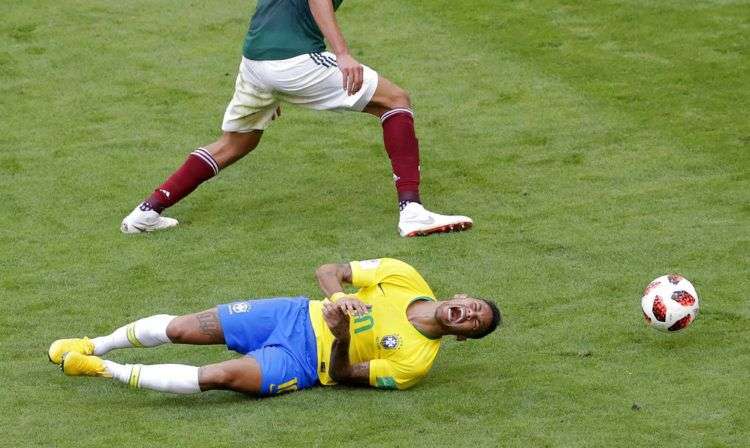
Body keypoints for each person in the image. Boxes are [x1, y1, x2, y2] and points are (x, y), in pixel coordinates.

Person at [120, 0, 473, 237]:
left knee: (237, 142)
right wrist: (343, 54)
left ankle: (146, 212)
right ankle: (412, 210)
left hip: (256, 60)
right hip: (294, 60)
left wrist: (273, 86)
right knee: (395, 100)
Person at [48, 258, 501, 395]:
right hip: (291, 313)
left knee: (220, 377)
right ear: (460, 298)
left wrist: (342, 340)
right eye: (473, 306)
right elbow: (331, 270)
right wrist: (340, 300)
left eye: (474, 323)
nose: (468, 314)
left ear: (463, 336)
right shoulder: (403, 275)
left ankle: (100, 369)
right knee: (186, 328)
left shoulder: (415, 365)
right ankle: (96, 343)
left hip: (303, 362)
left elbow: (343, 376)